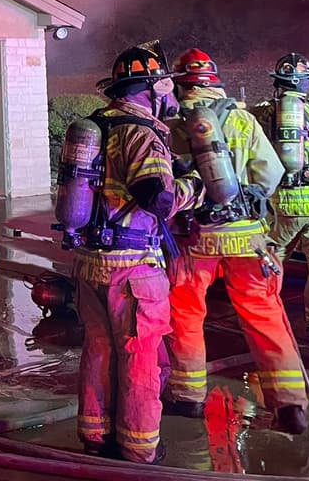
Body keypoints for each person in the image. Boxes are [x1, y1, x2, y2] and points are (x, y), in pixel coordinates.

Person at [67, 41, 203, 463]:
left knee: (98, 349)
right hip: (133, 269)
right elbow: (156, 199)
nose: (168, 93)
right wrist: (193, 189)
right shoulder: (140, 132)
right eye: (164, 85)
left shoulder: (94, 127)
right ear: (151, 87)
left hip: (90, 262)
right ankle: (140, 450)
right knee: (140, 357)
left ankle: (95, 438)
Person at [164, 47, 309, 435]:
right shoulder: (243, 119)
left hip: (195, 237)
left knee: (186, 314)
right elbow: (271, 172)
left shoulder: (175, 124)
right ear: (215, 82)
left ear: (182, 85)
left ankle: (188, 397)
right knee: (264, 315)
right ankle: (291, 404)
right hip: (248, 237)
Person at [251, 53, 309, 347]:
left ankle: (262, 318)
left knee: (272, 258)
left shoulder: (265, 113)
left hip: (283, 202)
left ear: (278, 84)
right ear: (306, 83)